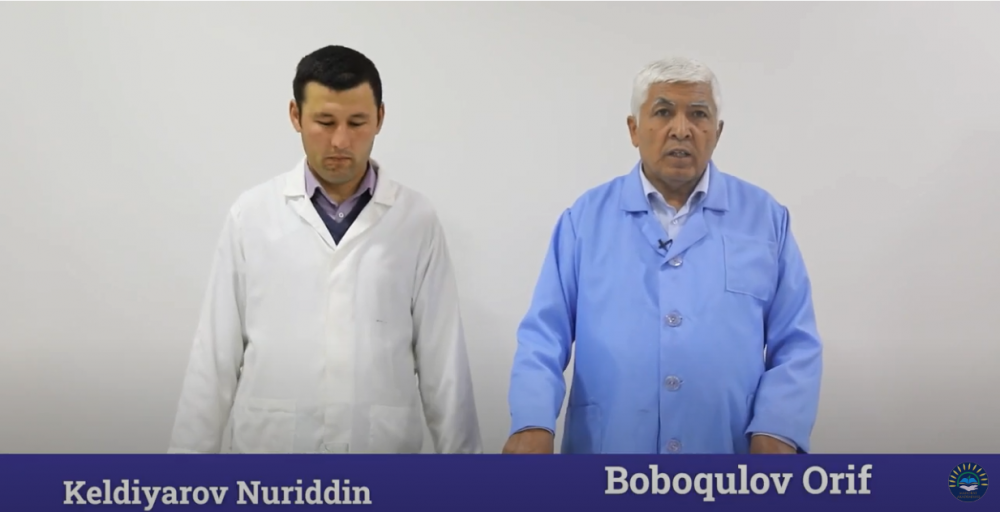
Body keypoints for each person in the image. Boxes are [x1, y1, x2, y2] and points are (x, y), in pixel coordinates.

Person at [168, 45, 481, 454]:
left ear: (380, 118)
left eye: (357, 122)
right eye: (325, 122)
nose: (340, 140)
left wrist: (468, 476)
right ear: (295, 115)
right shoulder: (252, 215)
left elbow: (444, 364)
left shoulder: (416, 219)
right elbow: (214, 357)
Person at [503, 57, 822, 455]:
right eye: (663, 112)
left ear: (718, 131)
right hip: (609, 449)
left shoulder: (765, 219)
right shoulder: (584, 219)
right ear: (634, 129)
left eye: (699, 114)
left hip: (726, 450)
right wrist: (532, 420)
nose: (681, 129)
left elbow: (796, 341)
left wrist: (779, 428)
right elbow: (543, 335)